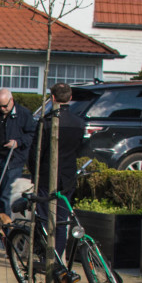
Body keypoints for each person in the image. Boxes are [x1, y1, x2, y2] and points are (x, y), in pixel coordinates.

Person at [33, 82, 87, 265]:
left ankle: (46, 255)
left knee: (43, 216)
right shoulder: (79, 123)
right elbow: (79, 149)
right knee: (62, 220)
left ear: (53, 98)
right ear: (70, 98)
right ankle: (58, 256)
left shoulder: (46, 123)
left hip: (47, 176)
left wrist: (35, 174)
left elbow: (36, 152)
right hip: (67, 176)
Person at [0, 88, 35, 213]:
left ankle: (7, 227)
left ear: (11, 100)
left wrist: (18, 142)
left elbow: (32, 133)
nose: (2, 109)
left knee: (7, 195)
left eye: (5, 106)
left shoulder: (23, 114)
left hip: (13, 159)